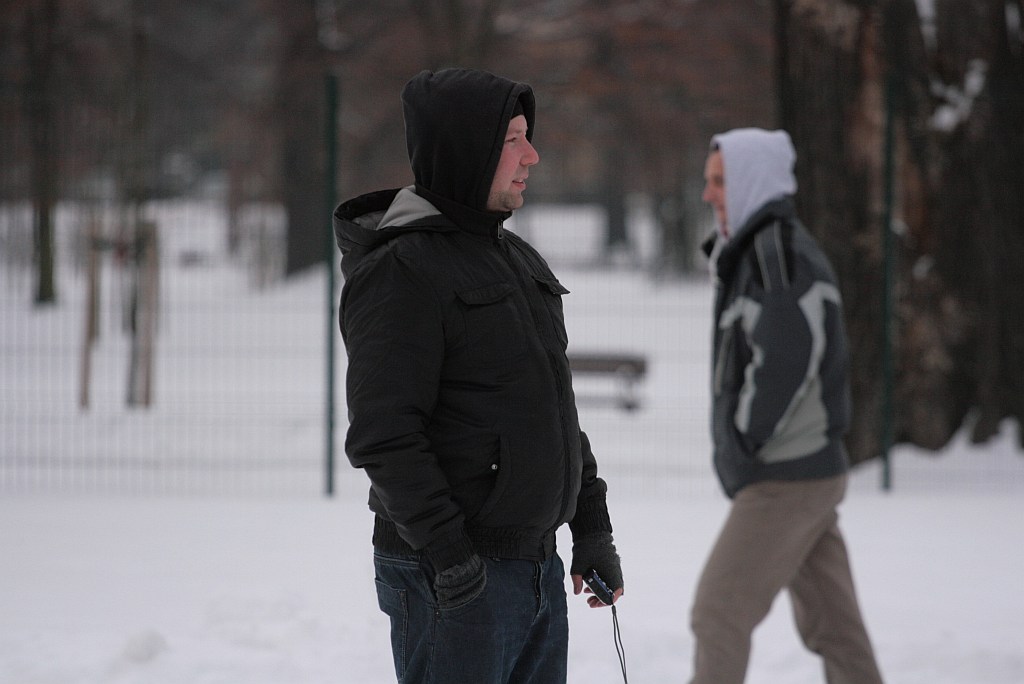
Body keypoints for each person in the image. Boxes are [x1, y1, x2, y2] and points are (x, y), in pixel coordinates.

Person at [333, 68, 624, 684]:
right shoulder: (401, 271)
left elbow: (552, 409)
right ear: (468, 148)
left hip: (536, 567)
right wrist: (449, 556)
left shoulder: (516, 258)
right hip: (457, 579)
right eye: (514, 139)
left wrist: (591, 526)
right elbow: (384, 435)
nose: (532, 156)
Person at [690, 127, 884, 684]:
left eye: (721, 182)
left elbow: (787, 355)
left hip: (785, 476)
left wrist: (745, 439)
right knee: (836, 628)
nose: (709, 195)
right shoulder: (757, 249)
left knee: (718, 612)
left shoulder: (776, 255)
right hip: (807, 470)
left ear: (753, 181)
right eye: (708, 182)